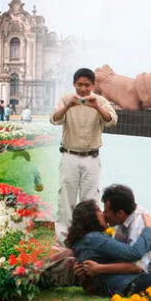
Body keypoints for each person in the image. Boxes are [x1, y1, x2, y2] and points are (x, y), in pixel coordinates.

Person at [50, 68, 118, 245]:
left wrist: (96, 107)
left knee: (91, 199)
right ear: (74, 84)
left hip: (91, 158)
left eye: (87, 85)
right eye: (79, 84)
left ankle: (90, 239)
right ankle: (64, 240)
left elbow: (112, 120)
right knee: (66, 198)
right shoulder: (66, 99)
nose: (83, 89)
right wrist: (68, 106)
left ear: (93, 85)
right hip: (69, 155)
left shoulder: (100, 101)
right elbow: (54, 119)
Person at [100, 184, 151, 273]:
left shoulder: (139, 225)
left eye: (106, 211)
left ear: (120, 213)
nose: (104, 214)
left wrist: (99, 269)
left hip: (149, 275)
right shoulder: (124, 218)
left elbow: (137, 267)